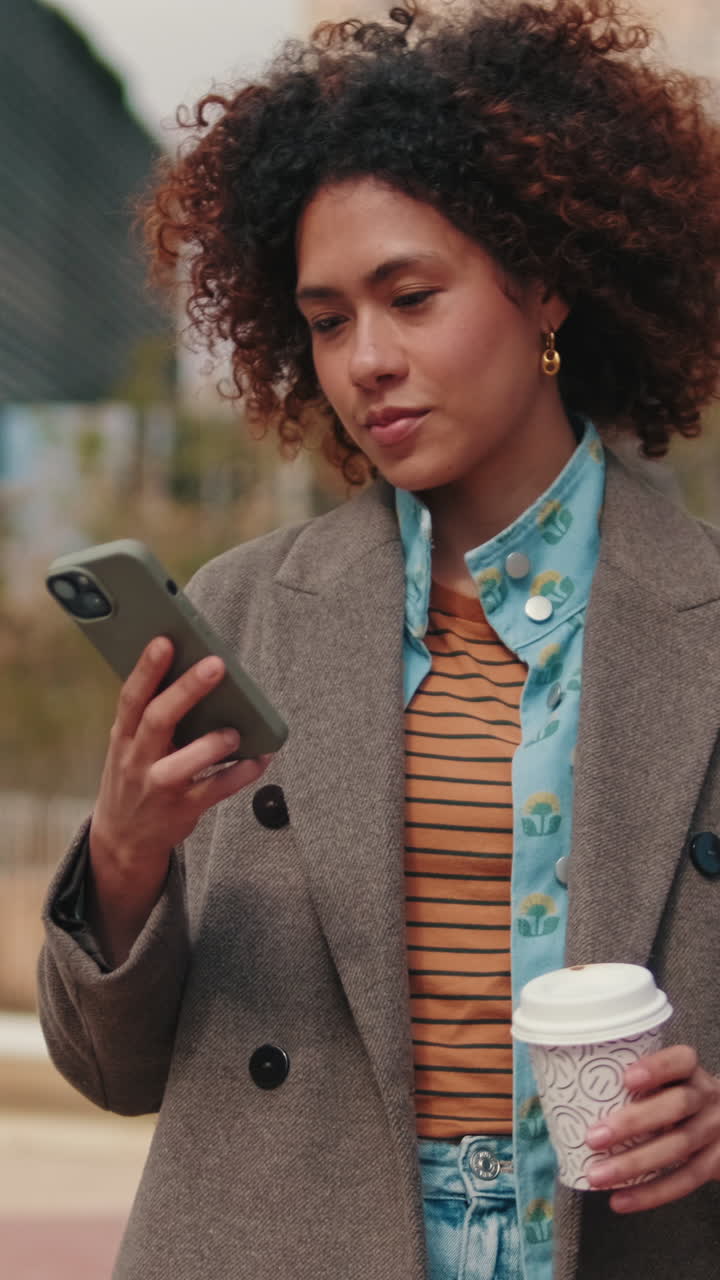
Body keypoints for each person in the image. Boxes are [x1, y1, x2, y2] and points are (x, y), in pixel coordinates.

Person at [38, 2, 720, 1277]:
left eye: (412, 297)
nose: (369, 362)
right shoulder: (244, 611)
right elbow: (111, 1071)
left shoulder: (702, 617)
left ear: (549, 283)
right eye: (330, 317)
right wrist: (125, 860)